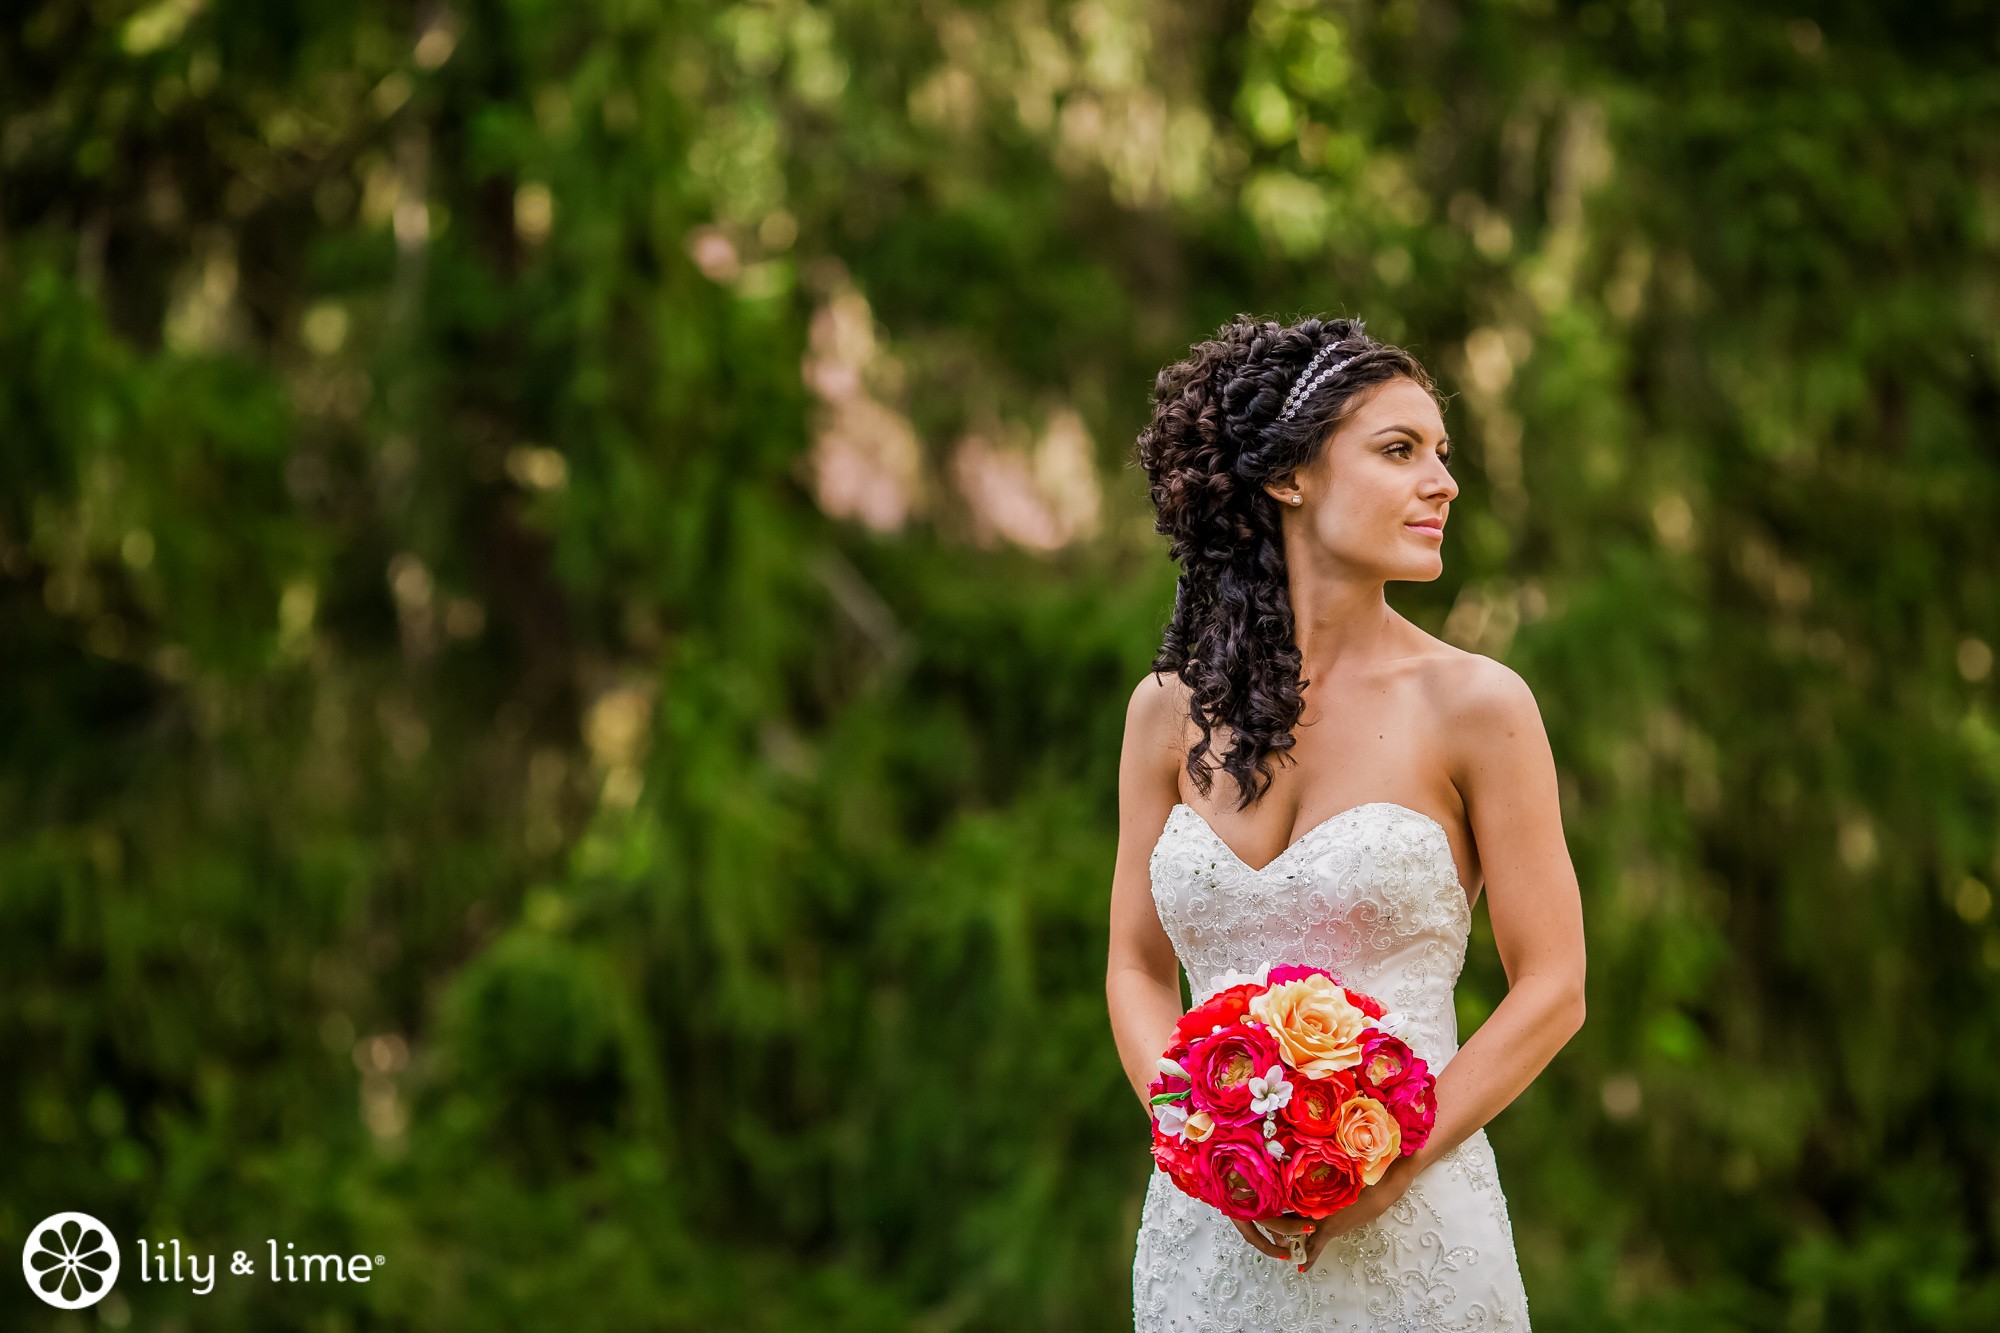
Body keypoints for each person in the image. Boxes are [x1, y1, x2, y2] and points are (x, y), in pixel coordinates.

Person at [1107, 315, 1586, 1329]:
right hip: (1204, 1243)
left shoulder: (1478, 705)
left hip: (1415, 1233)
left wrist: (1392, 1163)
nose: (1442, 482)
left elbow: (1552, 987)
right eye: (1398, 449)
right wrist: (1197, 1135)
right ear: (1289, 476)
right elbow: (1135, 969)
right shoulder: (1165, 711)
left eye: (1441, 454)